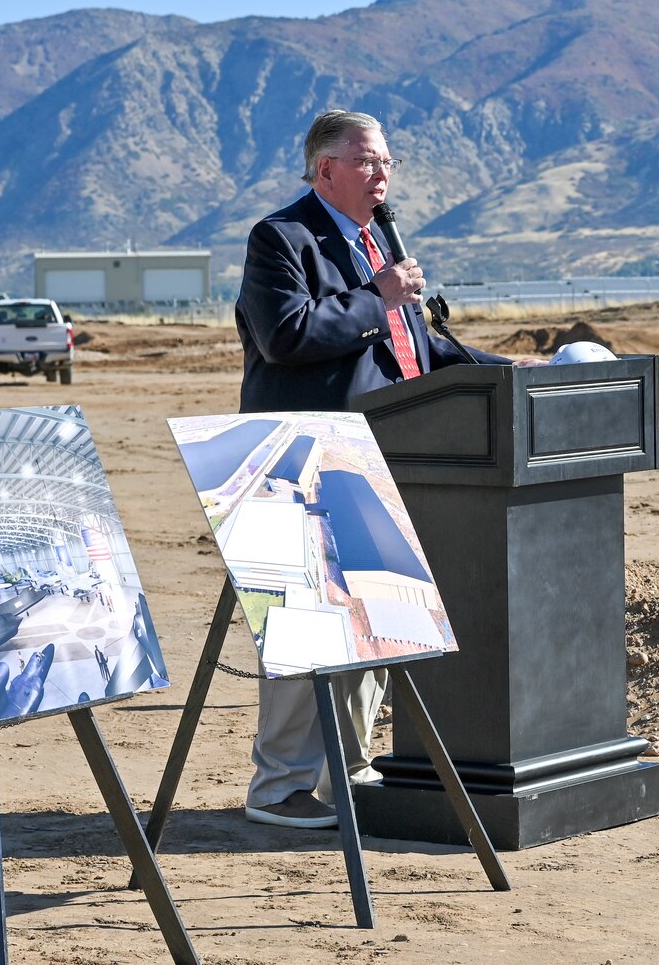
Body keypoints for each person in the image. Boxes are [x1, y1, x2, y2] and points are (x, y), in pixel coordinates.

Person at [235, 108, 523, 829]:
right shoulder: (282, 238)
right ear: (325, 168)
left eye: (388, 160)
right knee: (309, 622)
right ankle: (280, 786)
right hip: (304, 457)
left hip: (388, 455)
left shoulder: (377, 245)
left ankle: (348, 767)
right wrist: (377, 295)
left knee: (374, 617)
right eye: (367, 161)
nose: (383, 174)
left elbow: (421, 352)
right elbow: (285, 336)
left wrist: (512, 372)